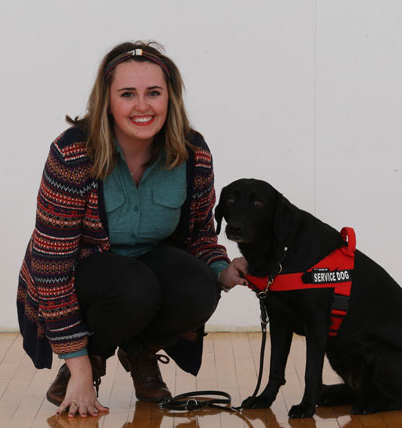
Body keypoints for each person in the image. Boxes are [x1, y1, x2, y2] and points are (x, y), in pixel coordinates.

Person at [16, 41, 248, 419]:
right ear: (107, 100)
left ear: (170, 97)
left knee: (199, 285)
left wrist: (222, 269)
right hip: (83, 278)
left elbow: (199, 236)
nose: (143, 106)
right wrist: (78, 366)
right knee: (133, 287)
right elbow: (50, 267)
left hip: (146, 273)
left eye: (153, 93)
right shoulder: (73, 154)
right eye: (128, 94)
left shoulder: (193, 153)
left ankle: (140, 349)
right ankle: (90, 360)